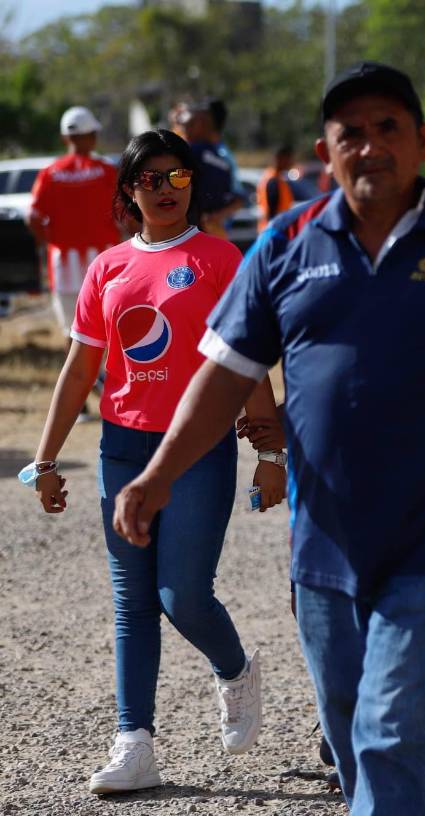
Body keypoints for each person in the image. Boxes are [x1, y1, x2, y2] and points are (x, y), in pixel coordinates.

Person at [110, 61, 425, 815]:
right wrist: (159, 473)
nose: (370, 147)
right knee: (349, 737)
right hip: (323, 545)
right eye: (351, 134)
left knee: (388, 736)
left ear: (424, 140)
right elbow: (224, 374)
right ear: (326, 148)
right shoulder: (286, 244)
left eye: (388, 129)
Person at [25, 128, 287, 795]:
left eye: (177, 177)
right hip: (122, 446)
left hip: (196, 448)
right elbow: (82, 366)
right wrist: (46, 460)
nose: (165, 190)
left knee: (182, 596)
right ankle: (133, 743)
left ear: (193, 185)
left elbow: (247, 358)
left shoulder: (221, 258)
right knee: (132, 601)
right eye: (150, 179)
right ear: (129, 191)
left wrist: (269, 450)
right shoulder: (107, 268)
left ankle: (235, 671)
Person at [26, 107, 121, 351]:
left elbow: (32, 217)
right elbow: (127, 212)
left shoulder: (50, 173)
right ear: (92, 136)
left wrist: (49, 240)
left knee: (73, 328)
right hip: (105, 258)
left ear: (64, 138)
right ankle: (107, 377)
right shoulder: (107, 170)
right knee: (109, 322)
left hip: (63, 260)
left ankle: (82, 379)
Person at [177, 103, 243, 237]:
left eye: (188, 125)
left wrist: (215, 218)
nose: (183, 129)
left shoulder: (200, 153)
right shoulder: (216, 154)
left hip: (203, 231)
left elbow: (238, 198)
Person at [257, 146, 296, 231]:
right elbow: (272, 211)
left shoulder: (271, 177)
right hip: (273, 230)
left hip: (270, 228)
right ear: (280, 158)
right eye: (289, 158)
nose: (291, 162)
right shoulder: (273, 180)